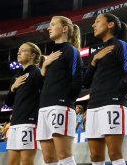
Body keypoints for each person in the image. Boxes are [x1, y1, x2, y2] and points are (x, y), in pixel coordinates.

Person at [83, 13, 127, 165]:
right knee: (95, 156)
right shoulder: (96, 53)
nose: (93, 25)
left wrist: (115, 92)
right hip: (94, 105)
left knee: (114, 153)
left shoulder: (121, 45)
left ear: (110, 24)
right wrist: (94, 61)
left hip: (113, 104)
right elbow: (86, 83)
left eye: (97, 21)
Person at [37, 16, 83, 165]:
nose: (49, 28)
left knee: (64, 155)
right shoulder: (49, 56)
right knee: (49, 159)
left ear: (64, 29)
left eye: (52, 24)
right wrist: (44, 67)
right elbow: (42, 84)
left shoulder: (71, 51)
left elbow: (77, 79)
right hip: (44, 108)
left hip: (60, 107)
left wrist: (66, 100)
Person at [5, 42, 43, 165]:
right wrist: (13, 88)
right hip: (15, 124)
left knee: (26, 162)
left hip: (29, 123)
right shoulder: (16, 77)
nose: (18, 52)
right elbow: (8, 102)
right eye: (18, 50)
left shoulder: (37, 73)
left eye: (23, 50)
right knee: (12, 162)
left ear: (32, 55)